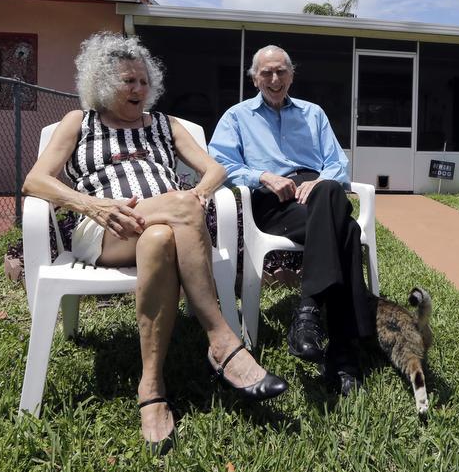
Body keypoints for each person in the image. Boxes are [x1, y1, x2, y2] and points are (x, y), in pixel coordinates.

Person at [23, 33, 287, 454]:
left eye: (144, 81)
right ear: (103, 83)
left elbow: (215, 169)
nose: (139, 89)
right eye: (129, 81)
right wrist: (90, 204)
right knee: (178, 211)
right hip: (107, 228)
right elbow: (35, 181)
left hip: (166, 225)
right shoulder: (79, 123)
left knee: (161, 236)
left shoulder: (166, 125)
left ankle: (152, 388)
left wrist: (197, 195)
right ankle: (220, 338)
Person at [209, 45, 373, 396]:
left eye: (281, 71)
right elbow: (221, 165)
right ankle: (345, 354)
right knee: (348, 231)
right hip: (274, 203)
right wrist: (263, 177)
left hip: (315, 193)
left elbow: (337, 163)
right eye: (266, 72)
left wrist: (317, 182)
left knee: (329, 190)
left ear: (292, 75)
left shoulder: (313, 114)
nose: (274, 78)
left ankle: (308, 315)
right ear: (254, 78)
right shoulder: (236, 117)